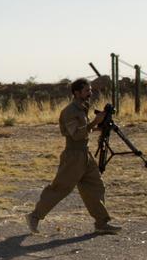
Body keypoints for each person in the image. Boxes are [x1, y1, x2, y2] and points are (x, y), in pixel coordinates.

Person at [26, 78, 121, 235]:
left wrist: (100, 127)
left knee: (95, 186)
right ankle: (34, 216)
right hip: (73, 155)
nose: (90, 93)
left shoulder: (82, 108)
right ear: (77, 93)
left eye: (90, 90)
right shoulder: (70, 111)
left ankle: (101, 223)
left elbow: (84, 131)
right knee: (60, 188)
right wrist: (94, 122)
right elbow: (76, 134)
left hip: (85, 154)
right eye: (86, 91)